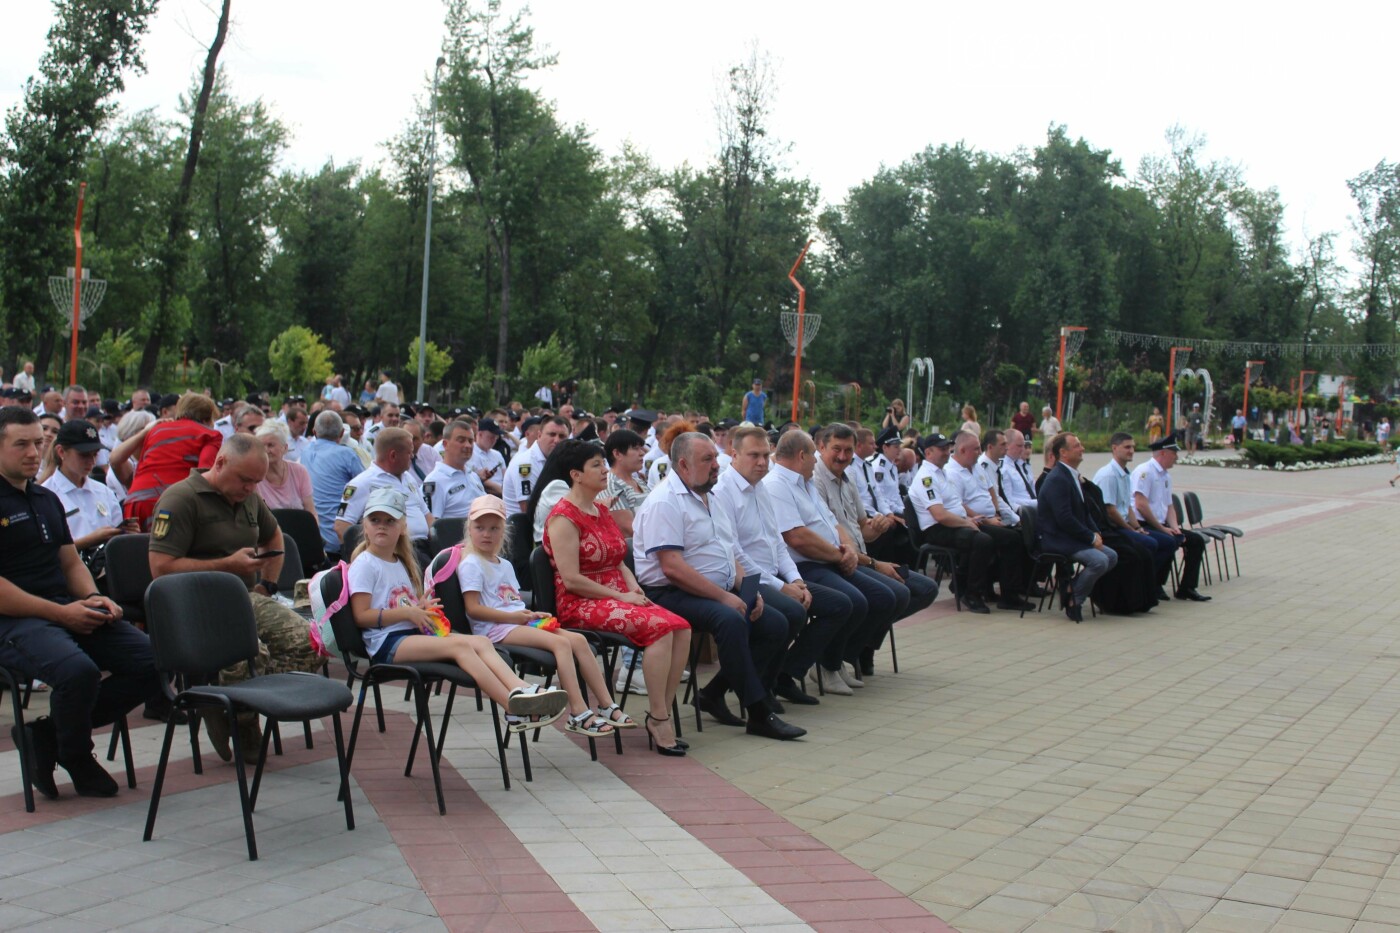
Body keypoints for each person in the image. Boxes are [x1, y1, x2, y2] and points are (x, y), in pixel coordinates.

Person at [0, 408, 160, 800]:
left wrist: (91, 597)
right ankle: (75, 754)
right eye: (21, 444)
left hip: (63, 607)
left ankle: (49, 735)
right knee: (78, 672)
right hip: (14, 620)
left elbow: (69, 560)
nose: (33, 452)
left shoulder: (44, 498)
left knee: (154, 662)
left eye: (39, 442)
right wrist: (61, 613)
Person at [148, 433, 323, 762]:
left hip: (242, 597)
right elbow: (161, 568)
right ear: (220, 462)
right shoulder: (181, 499)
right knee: (251, 653)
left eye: (256, 481)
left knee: (309, 640)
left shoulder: (249, 498)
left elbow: (274, 536)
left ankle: (230, 702)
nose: (250, 488)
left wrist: (267, 585)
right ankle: (242, 723)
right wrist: (227, 565)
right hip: (194, 605)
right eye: (245, 479)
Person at [347, 489, 569, 732]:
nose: (382, 526)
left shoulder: (399, 562)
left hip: (408, 634)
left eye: (390, 521)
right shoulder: (365, 564)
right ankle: (513, 709)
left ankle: (521, 690)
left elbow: (397, 605)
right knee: (461, 646)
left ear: (402, 527)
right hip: (385, 643)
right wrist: (408, 613)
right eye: (375, 520)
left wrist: (419, 608)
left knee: (481, 642)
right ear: (365, 526)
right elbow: (361, 616)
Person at [632, 432, 804, 741]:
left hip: (714, 587)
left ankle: (715, 693)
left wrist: (749, 590)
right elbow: (672, 568)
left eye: (715, 457)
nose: (716, 466)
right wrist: (725, 597)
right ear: (683, 465)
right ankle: (758, 712)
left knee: (776, 624)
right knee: (730, 620)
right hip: (669, 593)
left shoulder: (708, 496)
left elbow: (730, 551)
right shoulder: (665, 502)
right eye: (707, 460)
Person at [543, 440, 690, 746]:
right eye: (596, 465)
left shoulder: (600, 509)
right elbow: (571, 579)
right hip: (581, 602)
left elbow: (616, 557)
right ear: (576, 474)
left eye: (603, 463)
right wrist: (622, 597)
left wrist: (631, 582)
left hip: (617, 595)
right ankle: (660, 718)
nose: (604, 470)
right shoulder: (563, 517)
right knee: (661, 629)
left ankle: (659, 707)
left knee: (683, 628)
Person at [452, 493, 626, 738]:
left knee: (579, 640)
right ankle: (578, 712)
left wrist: (531, 615)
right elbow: (473, 609)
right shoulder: (471, 564)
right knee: (562, 643)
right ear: (469, 529)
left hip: (516, 622)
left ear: (503, 531)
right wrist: (518, 618)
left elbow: (510, 602)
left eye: (493, 528)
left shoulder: (504, 564)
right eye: (480, 528)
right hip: (494, 629)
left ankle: (607, 705)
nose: (487, 534)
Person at [813, 425, 938, 657]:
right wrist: (875, 564)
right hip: (842, 562)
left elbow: (863, 529)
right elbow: (832, 545)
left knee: (926, 589)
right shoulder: (815, 480)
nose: (842, 457)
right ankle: (846, 651)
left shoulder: (849, 476)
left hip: (861, 556)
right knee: (891, 595)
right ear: (821, 447)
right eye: (836, 450)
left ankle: (858, 645)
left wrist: (877, 528)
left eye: (848, 451)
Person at [42, 421, 137, 586]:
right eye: (84, 455)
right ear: (61, 452)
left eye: (95, 454)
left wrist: (128, 534)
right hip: (66, 578)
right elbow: (46, 550)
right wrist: (89, 540)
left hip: (107, 572)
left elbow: (116, 529)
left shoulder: (103, 491)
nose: (91, 461)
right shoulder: (46, 495)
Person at [1037, 434, 1118, 622]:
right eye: (1077, 446)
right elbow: (1064, 519)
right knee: (1099, 561)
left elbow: (1083, 510)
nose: (1082, 449)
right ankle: (1075, 600)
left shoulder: (1071, 474)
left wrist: (1095, 531)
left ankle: (1071, 587)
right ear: (1063, 453)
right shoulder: (1058, 478)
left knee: (1112, 556)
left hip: (1070, 536)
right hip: (1057, 539)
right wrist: (1090, 538)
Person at [117, 392, 223, 531]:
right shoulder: (210, 435)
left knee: (135, 550)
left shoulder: (156, 430)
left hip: (135, 502)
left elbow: (143, 466)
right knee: (168, 550)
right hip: (172, 503)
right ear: (206, 419)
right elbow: (204, 475)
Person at [1090, 432, 1164, 614]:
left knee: (1152, 545)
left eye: (1133, 447)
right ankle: (1125, 599)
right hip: (1109, 528)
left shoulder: (1124, 473)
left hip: (1122, 525)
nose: (1132, 451)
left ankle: (1147, 595)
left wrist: (1137, 527)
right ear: (1114, 449)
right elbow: (1110, 510)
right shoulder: (1108, 475)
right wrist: (1131, 529)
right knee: (1145, 547)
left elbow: (1128, 507)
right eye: (1127, 447)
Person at [335, 427, 434, 564]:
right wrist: (371, 557)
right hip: (394, 552)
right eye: (409, 453)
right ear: (393, 455)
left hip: (424, 548)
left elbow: (427, 516)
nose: (412, 456)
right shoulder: (363, 483)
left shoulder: (408, 478)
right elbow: (342, 527)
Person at [1131, 434, 1210, 602]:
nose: (1176, 457)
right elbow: (1140, 505)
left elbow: (1169, 506)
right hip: (1143, 524)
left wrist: (1174, 527)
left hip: (1161, 524)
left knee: (1195, 541)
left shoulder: (1165, 476)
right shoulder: (1145, 471)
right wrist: (1163, 529)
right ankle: (1154, 584)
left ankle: (1187, 588)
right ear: (1164, 453)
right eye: (1174, 453)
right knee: (1168, 540)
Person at [301, 410, 365, 556]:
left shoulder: (305, 452)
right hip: (339, 542)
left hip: (313, 540)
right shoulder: (348, 455)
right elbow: (368, 487)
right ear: (342, 433)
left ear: (314, 432)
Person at [501, 415, 570, 516]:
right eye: (552, 434)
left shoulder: (558, 459)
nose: (556, 440)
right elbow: (528, 509)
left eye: (562, 436)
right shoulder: (525, 463)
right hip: (524, 528)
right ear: (539, 435)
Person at [254, 422, 317, 518]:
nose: (266, 450)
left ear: (285, 448)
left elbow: (311, 511)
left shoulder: (299, 471)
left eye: (270, 445)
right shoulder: (254, 476)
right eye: (261, 446)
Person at [603, 429, 649, 537]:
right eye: (635, 448)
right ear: (617, 454)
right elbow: (628, 529)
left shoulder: (639, 481)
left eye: (641, 448)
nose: (642, 453)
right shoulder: (610, 484)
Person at [469, 418, 507, 497]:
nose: (494, 440)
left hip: (502, 491)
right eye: (491, 437)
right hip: (486, 495)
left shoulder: (497, 454)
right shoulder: (471, 453)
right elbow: (483, 482)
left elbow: (505, 475)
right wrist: (505, 492)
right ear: (480, 434)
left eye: (496, 437)